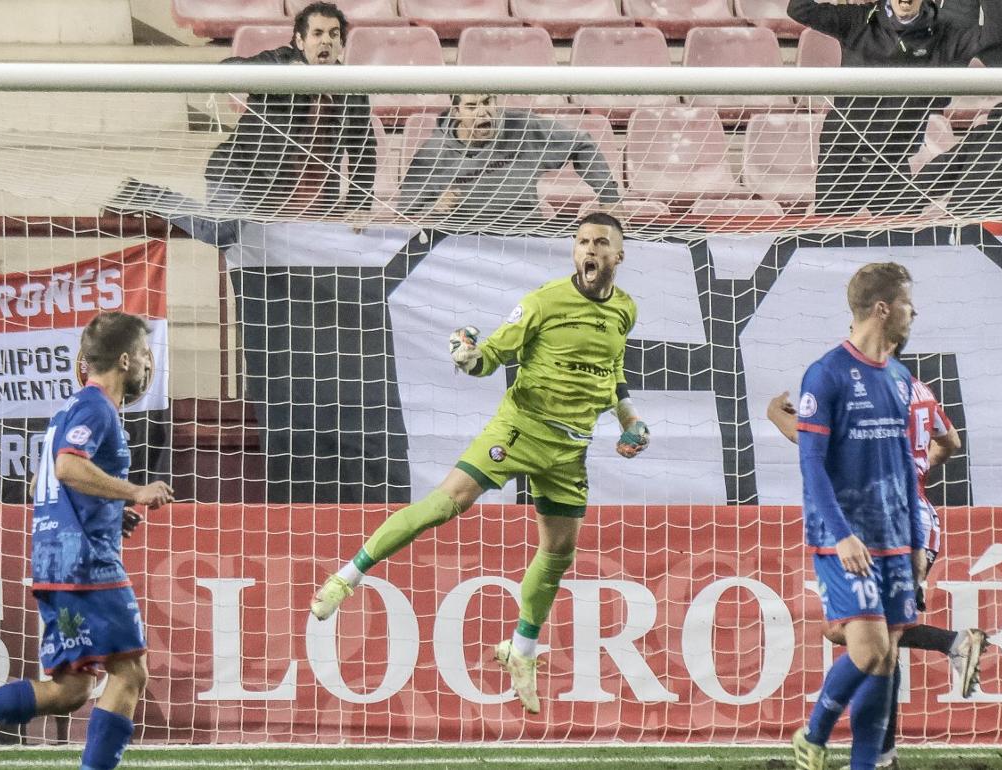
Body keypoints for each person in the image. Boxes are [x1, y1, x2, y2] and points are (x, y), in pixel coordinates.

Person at [307, 212, 649, 714]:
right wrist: (468, 357)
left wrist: (629, 419)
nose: (589, 250)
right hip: (519, 431)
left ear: (619, 255)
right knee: (447, 503)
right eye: (581, 242)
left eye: (600, 243)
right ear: (573, 252)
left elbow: (611, 370)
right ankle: (346, 578)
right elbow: (490, 355)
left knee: (558, 553)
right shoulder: (543, 302)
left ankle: (521, 650)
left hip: (570, 450)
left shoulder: (625, 310)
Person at [0, 312, 175, 770]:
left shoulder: (67, 413)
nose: (148, 368)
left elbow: (46, 485)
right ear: (127, 359)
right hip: (85, 565)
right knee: (129, 672)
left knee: (71, 690)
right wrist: (134, 491)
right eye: (146, 358)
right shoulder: (97, 408)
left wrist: (109, 514)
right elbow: (67, 468)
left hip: (57, 561)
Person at [768, 335, 990, 769]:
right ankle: (951, 647)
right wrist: (919, 465)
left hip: (885, 521)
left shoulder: (868, 391)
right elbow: (952, 443)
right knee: (862, 635)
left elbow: (811, 443)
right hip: (921, 519)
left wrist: (776, 414)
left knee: (872, 637)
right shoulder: (918, 389)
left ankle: (848, 747)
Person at [789, 262, 924, 770]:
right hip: (841, 540)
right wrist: (843, 536)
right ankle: (813, 734)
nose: (915, 313)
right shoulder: (825, 374)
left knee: (886, 660)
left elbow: (907, 470)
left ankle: (865, 765)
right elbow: (811, 466)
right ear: (884, 308)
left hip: (892, 540)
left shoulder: (900, 377)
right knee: (866, 652)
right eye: (909, 303)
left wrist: (914, 543)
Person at [107, 2, 376, 246]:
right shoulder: (280, 62)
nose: (326, 41)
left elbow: (364, 151)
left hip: (310, 199)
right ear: (300, 41)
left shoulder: (353, 91)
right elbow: (228, 70)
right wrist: (281, 77)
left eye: (333, 34)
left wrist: (359, 202)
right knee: (219, 231)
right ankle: (142, 193)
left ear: (341, 43)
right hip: (244, 178)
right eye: (317, 34)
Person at [786, 0, 1002, 216]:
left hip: (891, 163)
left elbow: (996, 38)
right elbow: (799, 8)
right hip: (842, 159)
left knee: (902, 241)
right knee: (829, 243)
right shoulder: (859, 19)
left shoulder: (943, 32)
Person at [397, 93, 623, 229]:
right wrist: (434, 207)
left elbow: (582, 144)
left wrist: (609, 197)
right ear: (456, 111)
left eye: (487, 102)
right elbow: (404, 209)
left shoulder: (521, 127)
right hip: (464, 244)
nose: (483, 113)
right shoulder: (434, 152)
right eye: (472, 106)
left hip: (525, 235)